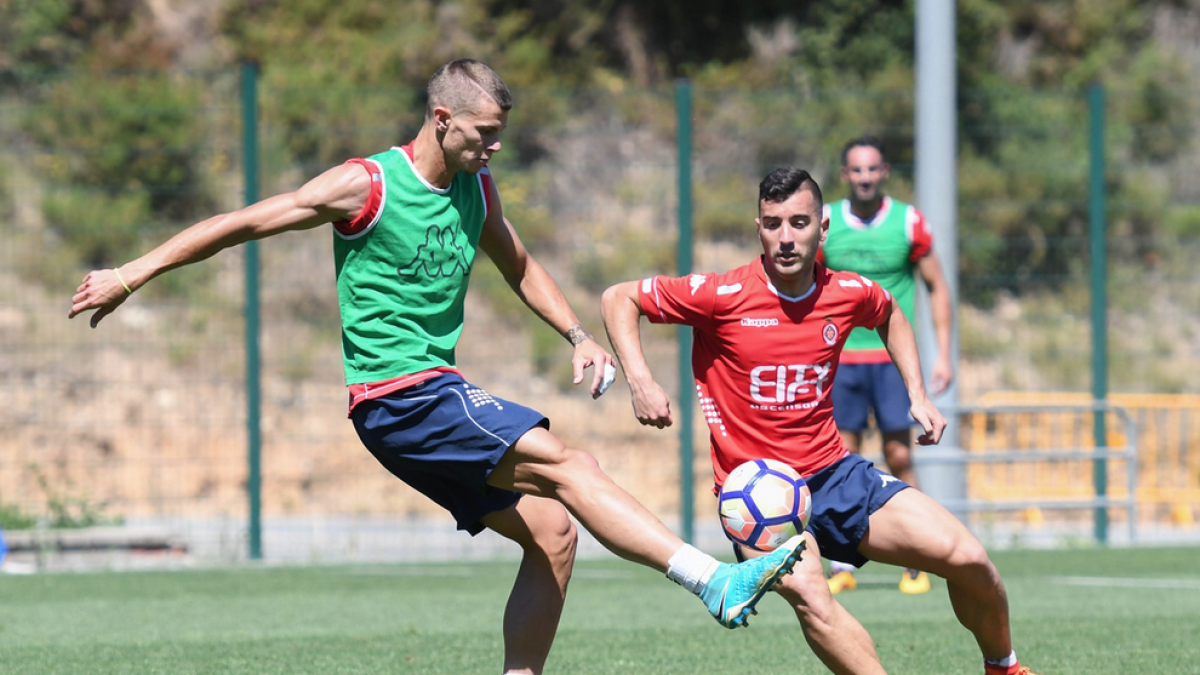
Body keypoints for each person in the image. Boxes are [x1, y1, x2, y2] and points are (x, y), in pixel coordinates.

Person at [68, 59, 804, 674]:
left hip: (423, 402)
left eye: (499, 139)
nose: (494, 151)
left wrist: (578, 333)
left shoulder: (474, 186)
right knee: (570, 461)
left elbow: (517, 262)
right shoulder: (369, 186)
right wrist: (132, 273)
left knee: (552, 532)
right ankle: (713, 580)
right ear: (442, 119)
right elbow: (242, 223)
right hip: (400, 396)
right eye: (484, 137)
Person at [601, 167, 1039, 675]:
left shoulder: (847, 291)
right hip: (760, 496)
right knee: (814, 596)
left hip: (836, 474)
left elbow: (890, 312)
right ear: (758, 228)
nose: (785, 238)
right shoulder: (721, 295)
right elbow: (619, 298)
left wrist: (917, 394)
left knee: (967, 558)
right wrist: (641, 379)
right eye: (772, 224)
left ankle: (1003, 667)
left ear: (823, 228)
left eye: (799, 222)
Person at [817, 135, 955, 595]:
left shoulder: (908, 221)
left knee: (899, 455)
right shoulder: (825, 222)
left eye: (872, 169)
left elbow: (937, 286)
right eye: (856, 170)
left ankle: (919, 557)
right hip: (840, 361)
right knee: (842, 459)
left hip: (893, 361)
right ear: (844, 175)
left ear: (885, 172)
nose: (864, 177)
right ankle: (841, 565)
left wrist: (944, 354)